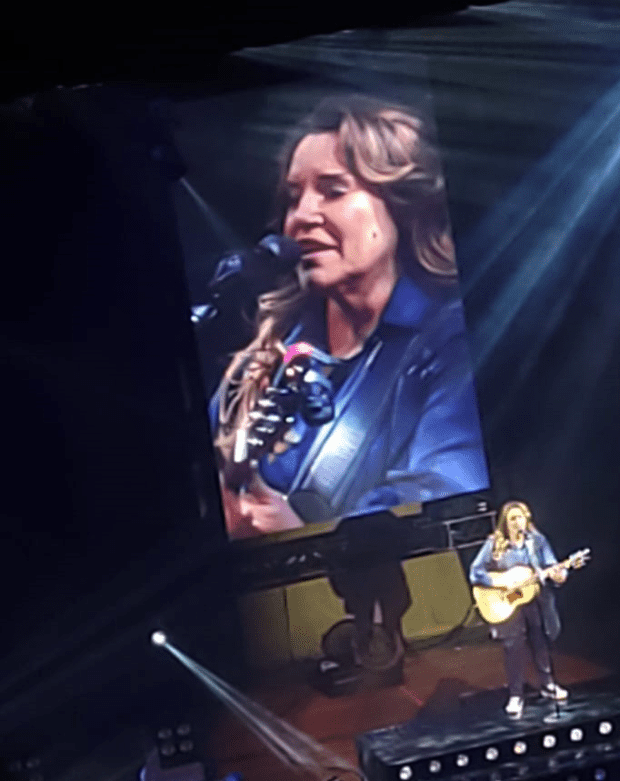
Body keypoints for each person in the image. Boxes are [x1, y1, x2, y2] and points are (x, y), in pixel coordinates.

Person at [210, 93, 489, 538]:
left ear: (400, 204)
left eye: (333, 190)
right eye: (293, 196)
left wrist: (306, 537)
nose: (300, 217)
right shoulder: (268, 355)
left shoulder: (452, 339)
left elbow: (451, 482)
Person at [469, 501, 570, 719]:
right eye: (512, 518)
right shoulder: (495, 544)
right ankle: (516, 694)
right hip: (511, 596)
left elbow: (551, 563)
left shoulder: (537, 542)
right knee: (513, 645)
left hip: (534, 596)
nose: (517, 522)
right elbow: (475, 572)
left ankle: (548, 684)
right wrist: (501, 582)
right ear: (505, 522)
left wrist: (559, 574)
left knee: (539, 639)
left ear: (527, 518)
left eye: (520, 517)